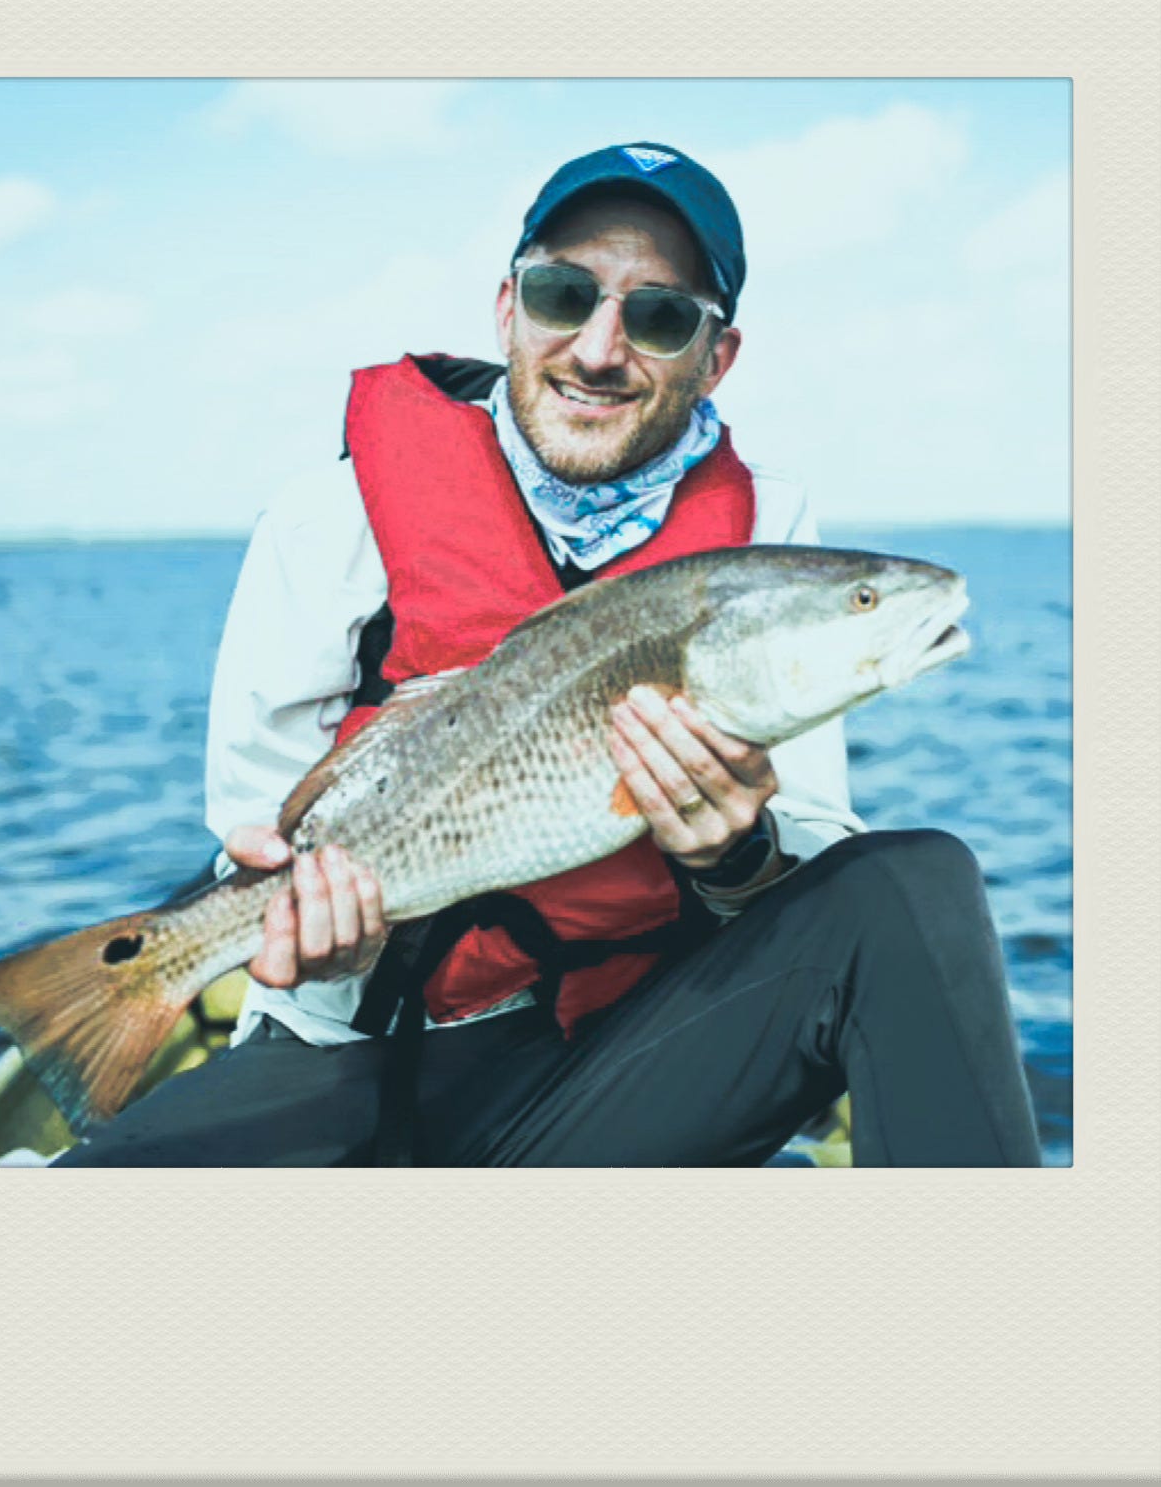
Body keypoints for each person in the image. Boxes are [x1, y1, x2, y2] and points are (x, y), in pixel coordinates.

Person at [58, 142, 1042, 1168]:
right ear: (507, 309)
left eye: (660, 317)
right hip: (351, 1057)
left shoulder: (764, 544)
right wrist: (316, 937)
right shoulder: (325, 518)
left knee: (913, 884)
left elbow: (808, 847)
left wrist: (734, 856)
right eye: (563, 295)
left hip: (623, 1057)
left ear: (717, 357)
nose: (599, 349)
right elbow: (256, 831)